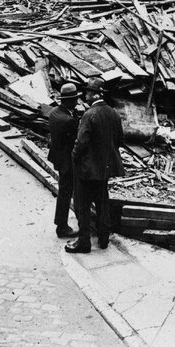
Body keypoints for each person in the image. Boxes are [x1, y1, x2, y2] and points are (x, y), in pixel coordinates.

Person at [66, 78, 124, 254]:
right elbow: (119, 140)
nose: (85, 95)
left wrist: (74, 157)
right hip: (105, 168)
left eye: (88, 92)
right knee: (102, 204)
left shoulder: (89, 115)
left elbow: (80, 143)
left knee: (83, 206)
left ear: (96, 94)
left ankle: (84, 242)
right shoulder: (113, 114)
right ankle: (104, 239)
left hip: (87, 170)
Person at [47, 82, 81, 239]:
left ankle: (61, 224)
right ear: (69, 101)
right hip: (68, 162)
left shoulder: (54, 112)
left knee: (63, 192)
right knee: (66, 193)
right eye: (74, 100)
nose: (77, 102)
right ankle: (62, 227)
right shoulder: (69, 121)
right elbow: (76, 142)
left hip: (58, 158)